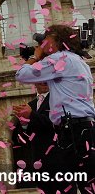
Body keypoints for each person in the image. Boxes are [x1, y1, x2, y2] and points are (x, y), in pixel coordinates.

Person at [15, 24, 95, 193]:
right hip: (85, 128)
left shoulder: (59, 59)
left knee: (64, 186)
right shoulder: (79, 61)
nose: (43, 44)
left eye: (46, 40)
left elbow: (21, 74)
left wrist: (34, 56)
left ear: (56, 41)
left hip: (72, 130)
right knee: (88, 184)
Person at [12, 82, 73, 193]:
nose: (44, 82)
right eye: (41, 79)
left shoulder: (60, 99)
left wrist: (32, 115)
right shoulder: (31, 105)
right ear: (35, 81)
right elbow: (26, 138)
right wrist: (23, 123)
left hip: (60, 162)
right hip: (40, 164)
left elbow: (55, 123)